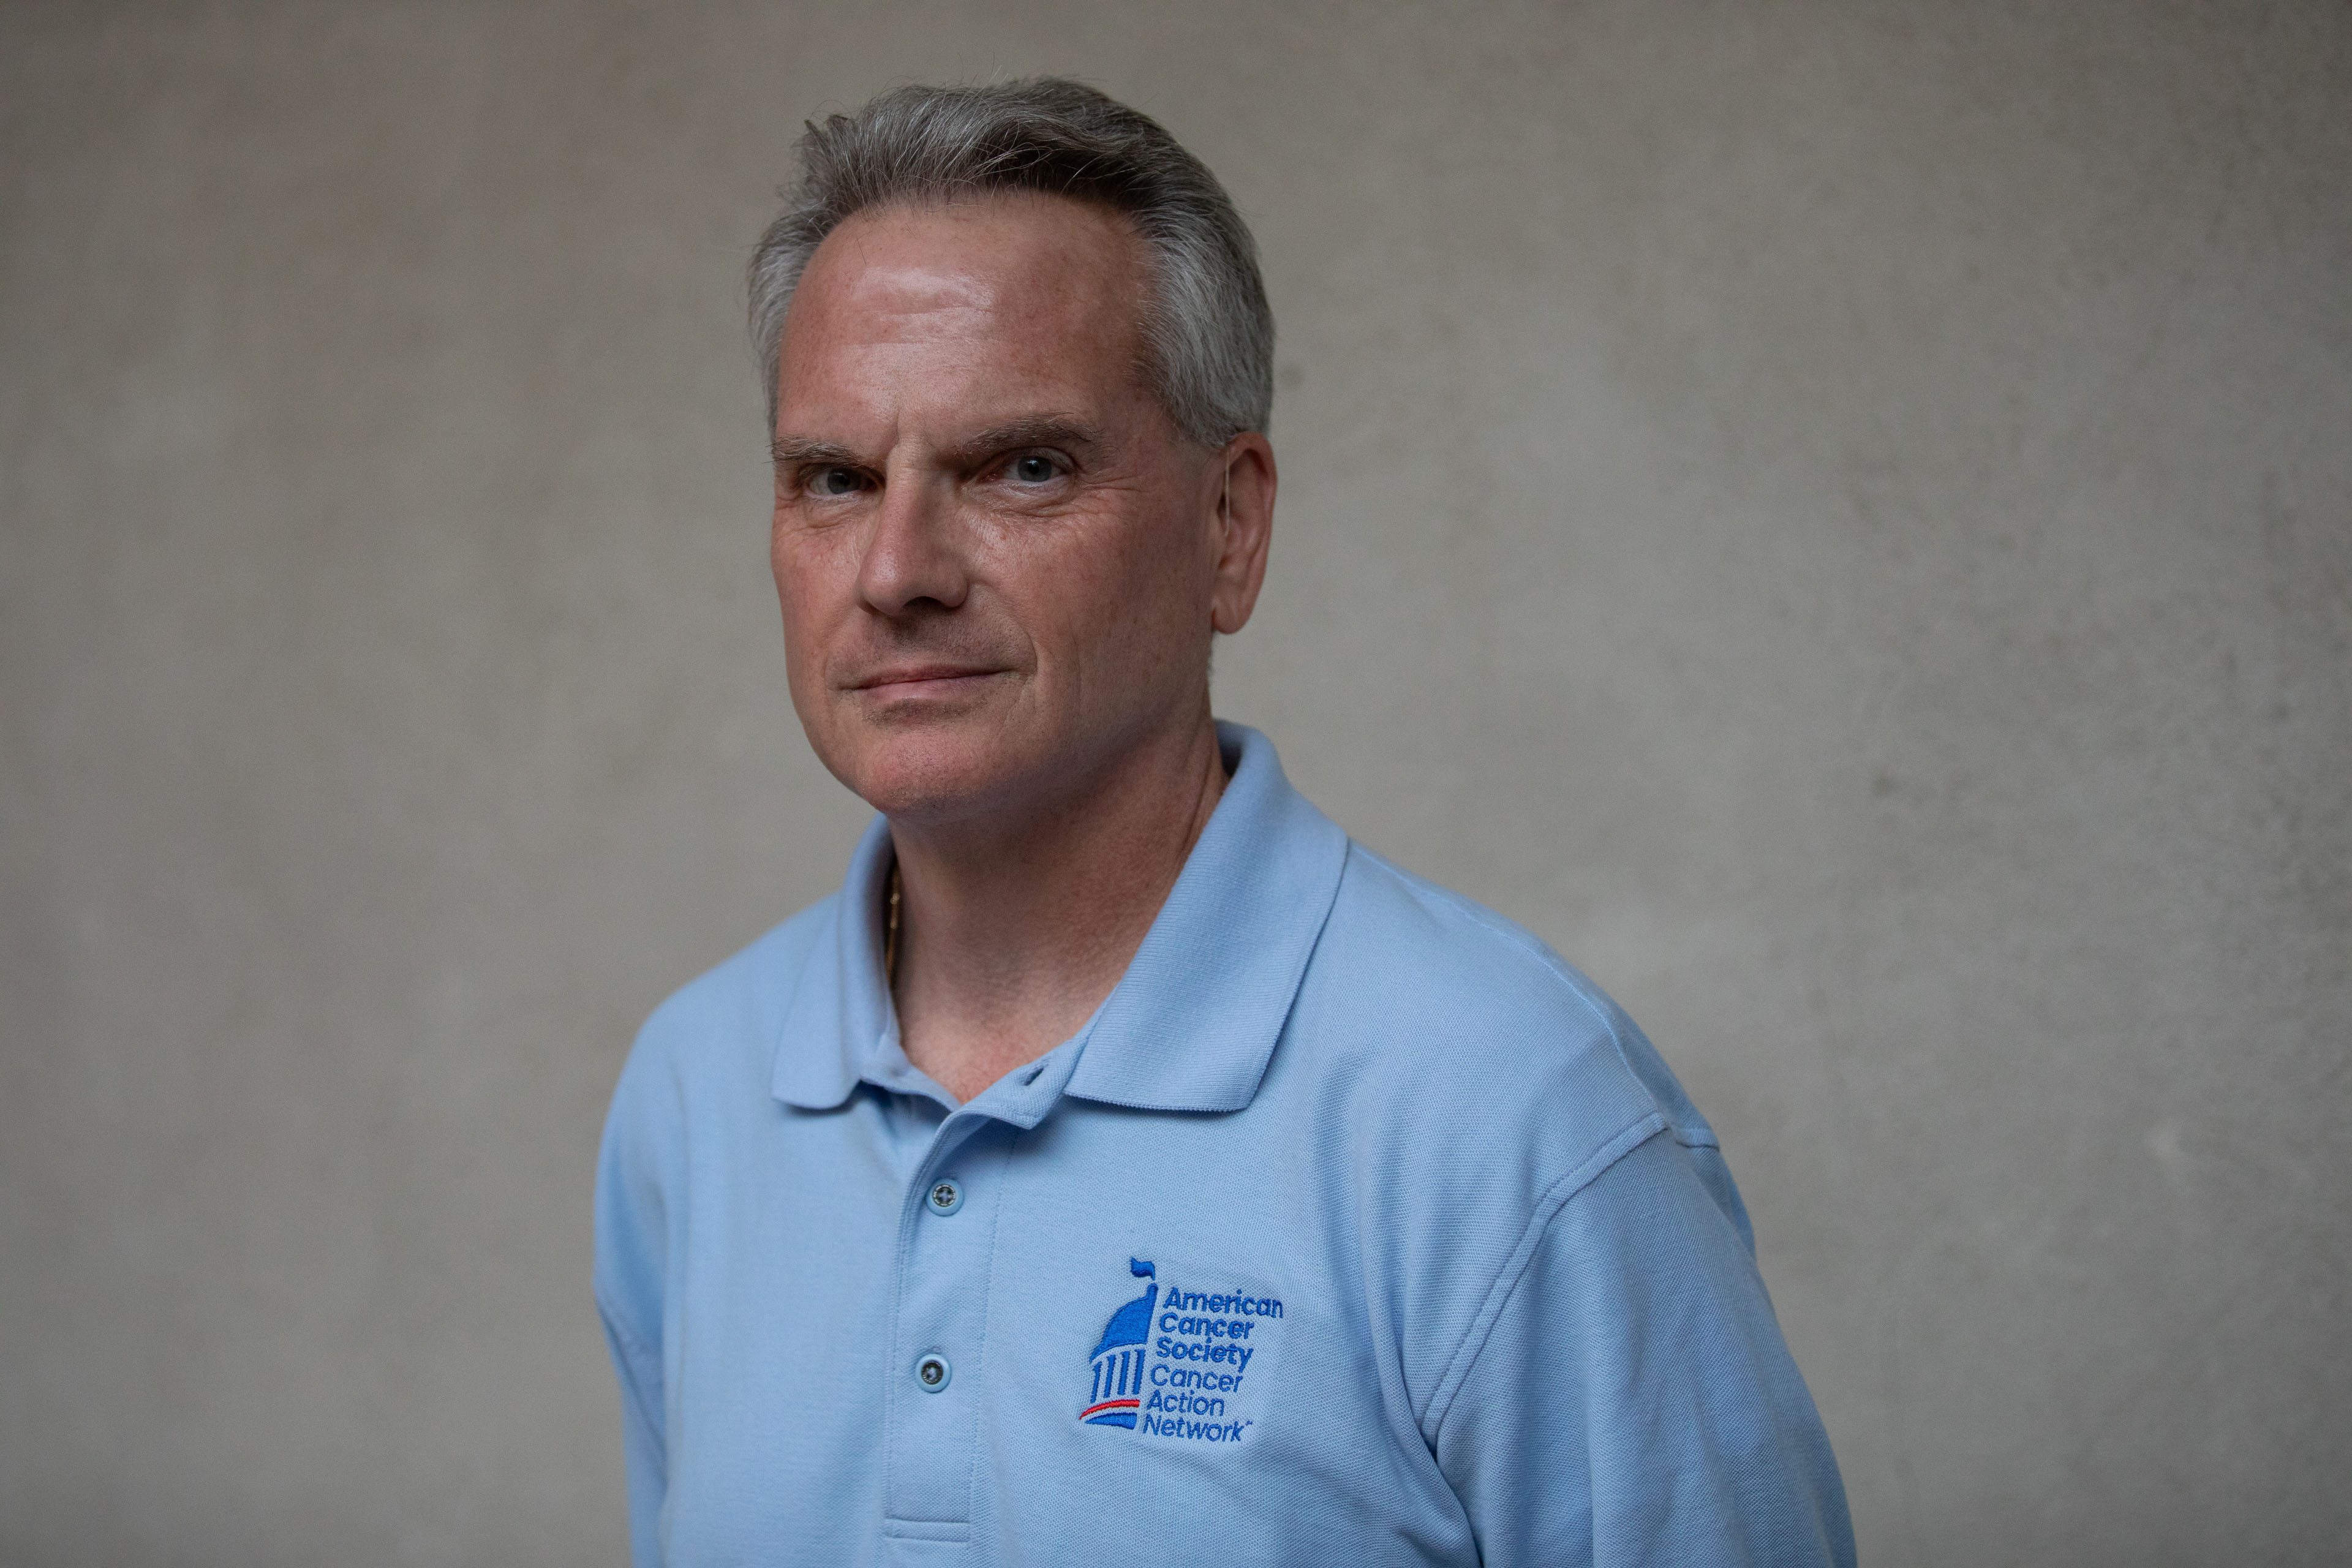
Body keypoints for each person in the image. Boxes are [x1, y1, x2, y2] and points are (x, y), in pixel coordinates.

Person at [595, 78, 1853, 1567]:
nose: (897, 569)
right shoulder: (697, 1092)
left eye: (1024, 466)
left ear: (1229, 528)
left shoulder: (1508, 1112)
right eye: (836, 478)